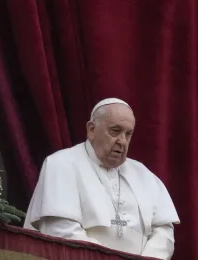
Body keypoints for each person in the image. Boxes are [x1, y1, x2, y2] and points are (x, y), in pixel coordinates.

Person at [24, 98, 180, 260]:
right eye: (115, 131)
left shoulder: (143, 174)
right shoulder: (61, 164)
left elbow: (164, 232)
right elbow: (61, 231)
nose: (122, 141)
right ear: (91, 130)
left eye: (128, 134)